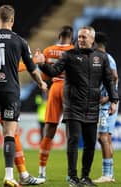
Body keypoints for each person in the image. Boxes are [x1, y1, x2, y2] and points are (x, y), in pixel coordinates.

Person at [0, 5, 47, 187]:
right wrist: (38, 73)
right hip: (9, 89)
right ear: (11, 20)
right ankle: (12, 175)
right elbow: (11, 65)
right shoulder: (19, 40)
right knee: (10, 134)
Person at [34, 26, 119, 187]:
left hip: (92, 107)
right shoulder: (69, 55)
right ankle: (72, 177)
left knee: (89, 144)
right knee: (73, 141)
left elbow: (109, 80)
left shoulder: (101, 57)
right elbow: (53, 71)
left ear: (92, 39)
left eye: (84, 37)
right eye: (79, 37)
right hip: (73, 106)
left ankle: (85, 177)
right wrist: (43, 64)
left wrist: (113, 100)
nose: (80, 40)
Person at [37, 25, 74, 181]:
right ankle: (71, 174)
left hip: (55, 89)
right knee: (72, 132)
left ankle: (42, 172)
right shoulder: (74, 51)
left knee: (49, 132)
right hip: (70, 89)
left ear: (59, 36)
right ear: (71, 37)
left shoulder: (48, 51)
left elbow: (45, 77)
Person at [92, 32, 118, 183]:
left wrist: (109, 99)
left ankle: (107, 174)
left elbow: (115, 78)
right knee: (105, 137)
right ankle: (109, 173)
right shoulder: (107, 57)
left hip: (106, 104)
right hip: (107, 102)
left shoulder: (106, 58)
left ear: (94, 42)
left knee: (103, 138)